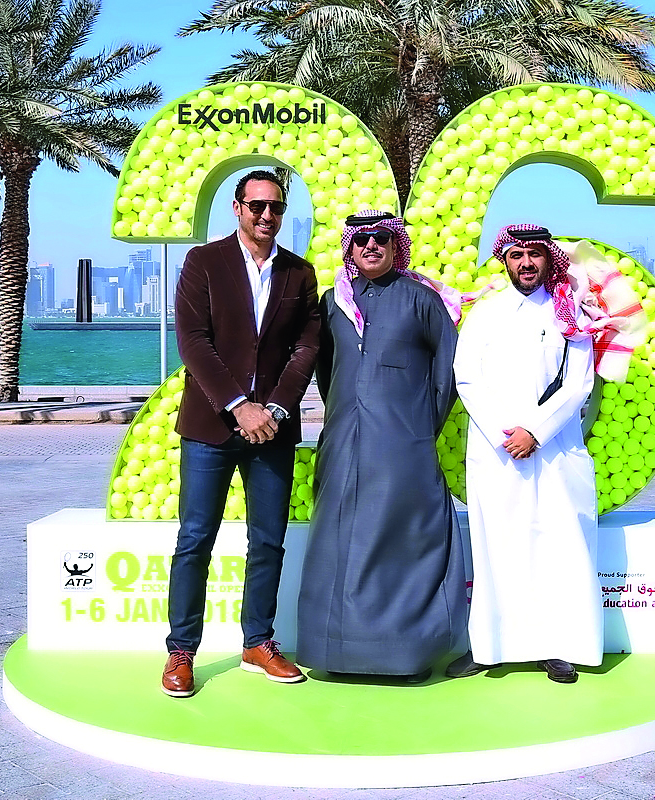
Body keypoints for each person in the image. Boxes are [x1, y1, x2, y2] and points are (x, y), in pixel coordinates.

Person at [449, 224, 630, 684]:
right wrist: (502, 433)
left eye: (534, 254)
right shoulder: (484, 314)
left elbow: (579, 383)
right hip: (496, 452)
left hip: (555, 451)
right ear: (504, 260)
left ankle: (559, 646)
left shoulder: (573, 313)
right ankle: (490, 647)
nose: (525, 263)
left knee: (559, 545)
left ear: (550, 260)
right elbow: (466, 377)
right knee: (496, 548)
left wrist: (535, 431)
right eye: (516, 254)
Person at [162, 170, 320, 697]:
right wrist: (238, 406)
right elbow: (193, 342)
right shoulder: (203, 263)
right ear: (236, 208)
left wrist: (271, 409)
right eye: (256, 206)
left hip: (273, 428)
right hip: (210, 426)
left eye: (275, 207)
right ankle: (181, 651)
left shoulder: (300, 274)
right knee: (194, 539)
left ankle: (258, 642)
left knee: (268, 541)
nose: (266, 216)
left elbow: (306, 349)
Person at [296, 211, 465, 682]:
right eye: (362, 240)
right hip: (344, 444)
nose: (371, 246)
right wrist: (347, 414)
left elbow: (448, 369)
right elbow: (325, 371)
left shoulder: (421, 300)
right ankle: (334, 654)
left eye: (382, 239)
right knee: (337, 543)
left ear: (396, 247)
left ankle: (403, 656)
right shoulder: (333, 303)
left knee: (403, 542)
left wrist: (417, 427)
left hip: (403, 447)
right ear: (349, 248)